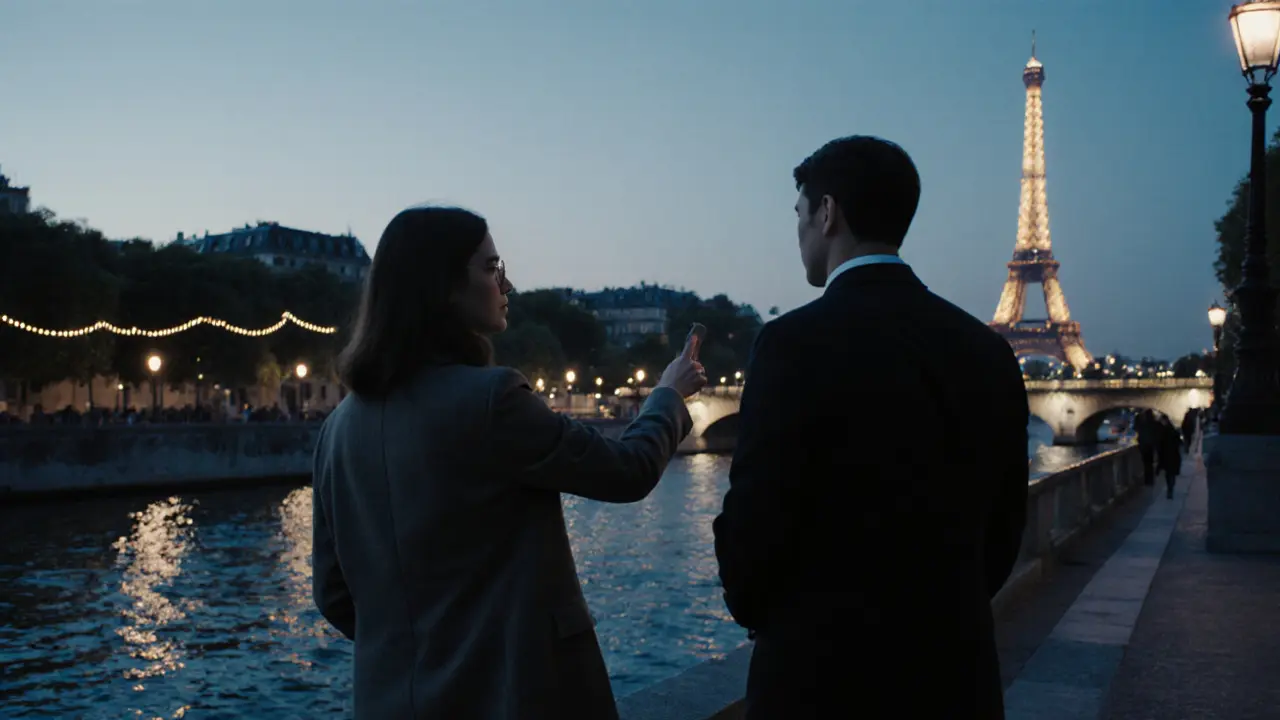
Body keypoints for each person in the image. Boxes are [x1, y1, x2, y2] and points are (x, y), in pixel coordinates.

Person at [310, 206, 707, 719]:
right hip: (508, 696)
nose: (508, 284)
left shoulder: (336, 429)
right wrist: (667, 396)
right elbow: (627, 471)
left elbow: (334, 594)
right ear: (445, 286)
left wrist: (422, 646)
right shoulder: (492, 399)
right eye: (492, 268)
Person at [713, 136, 1030, 719]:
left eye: (800, 215)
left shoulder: (791, 345)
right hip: (954, 678)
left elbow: (754, 532)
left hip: (819, 681)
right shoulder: (987, 351)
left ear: (828, 213)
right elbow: (1006, 529)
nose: (799, 233)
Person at [1157, 414, 1183, 499]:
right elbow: (1179, 442)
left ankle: (1169, 489)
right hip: (1174, 455)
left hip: (1166, 455)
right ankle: (1171, 489)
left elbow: (1160, 445)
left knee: (1168, 474)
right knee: (1172, 473)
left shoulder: (1162, 432)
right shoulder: (1173, 431)